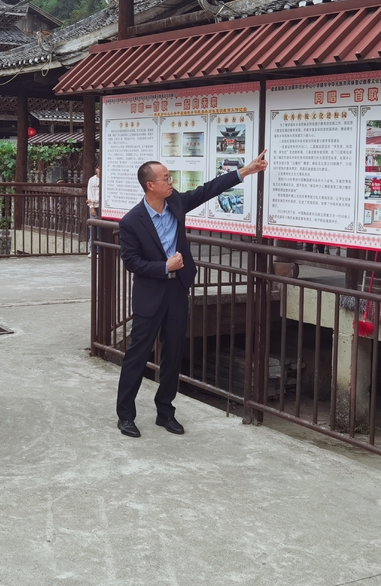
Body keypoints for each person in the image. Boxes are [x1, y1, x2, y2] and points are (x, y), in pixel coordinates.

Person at [116, 152, 268, 438]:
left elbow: (208, 189)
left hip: (176, 290)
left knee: (174, 353)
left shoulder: (176, 202)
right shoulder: (131, 222)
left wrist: (246, 171)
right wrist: (163, 266)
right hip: (150, 294)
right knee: (137, 355)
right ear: (150, 185)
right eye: (165, 179)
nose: (170, 182)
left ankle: (165, 412)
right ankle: (125, 415)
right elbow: (131, 262)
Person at [86, 165, 101, 257]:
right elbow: (89, 193)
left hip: (101, 206)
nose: (99, 170)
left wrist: (94, 200)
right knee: (92, 228)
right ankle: (92, 249)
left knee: (100, 228)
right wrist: (91, 206)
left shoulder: (104, 180)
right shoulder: (92, 180)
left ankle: (99, 250)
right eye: (98, 168)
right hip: (94, 206)